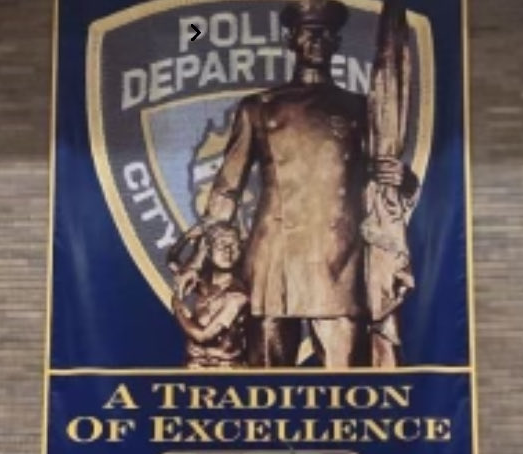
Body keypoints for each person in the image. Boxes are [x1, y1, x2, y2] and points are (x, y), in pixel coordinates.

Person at [178, 0, 417, 368]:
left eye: (326, 33)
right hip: (273, 260)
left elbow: (381, 183)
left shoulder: (361, 110)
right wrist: (198, 259)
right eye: (308, 31)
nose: (317, 39)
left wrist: (402, 179)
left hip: (341, 259)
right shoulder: (258, 107)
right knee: (265, 390)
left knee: (347, 386)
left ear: (337, 42)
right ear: (291, 39)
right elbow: (226, 190)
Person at [169, 222, 249, 368]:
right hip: (193, 367)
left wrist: (177, 306)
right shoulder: (198, 285)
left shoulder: (237, 295)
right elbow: (172, 261)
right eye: (221, 245)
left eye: (234, 245)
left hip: (228, 369)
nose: (228, 251)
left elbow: (203, 335)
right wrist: (186, 238)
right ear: (209, 250)